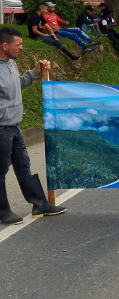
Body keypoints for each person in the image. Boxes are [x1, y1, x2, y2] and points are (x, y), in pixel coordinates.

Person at [0, 27, 67, 225]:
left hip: (14, 127)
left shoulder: (10, 63)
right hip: (2, 129)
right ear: (5, 45)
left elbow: (17, 85)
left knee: (24, 167)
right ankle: (3, 211)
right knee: (0, 171)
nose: (21, 48)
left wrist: (35, 72)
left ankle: (39, 204)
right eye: (18, 44)